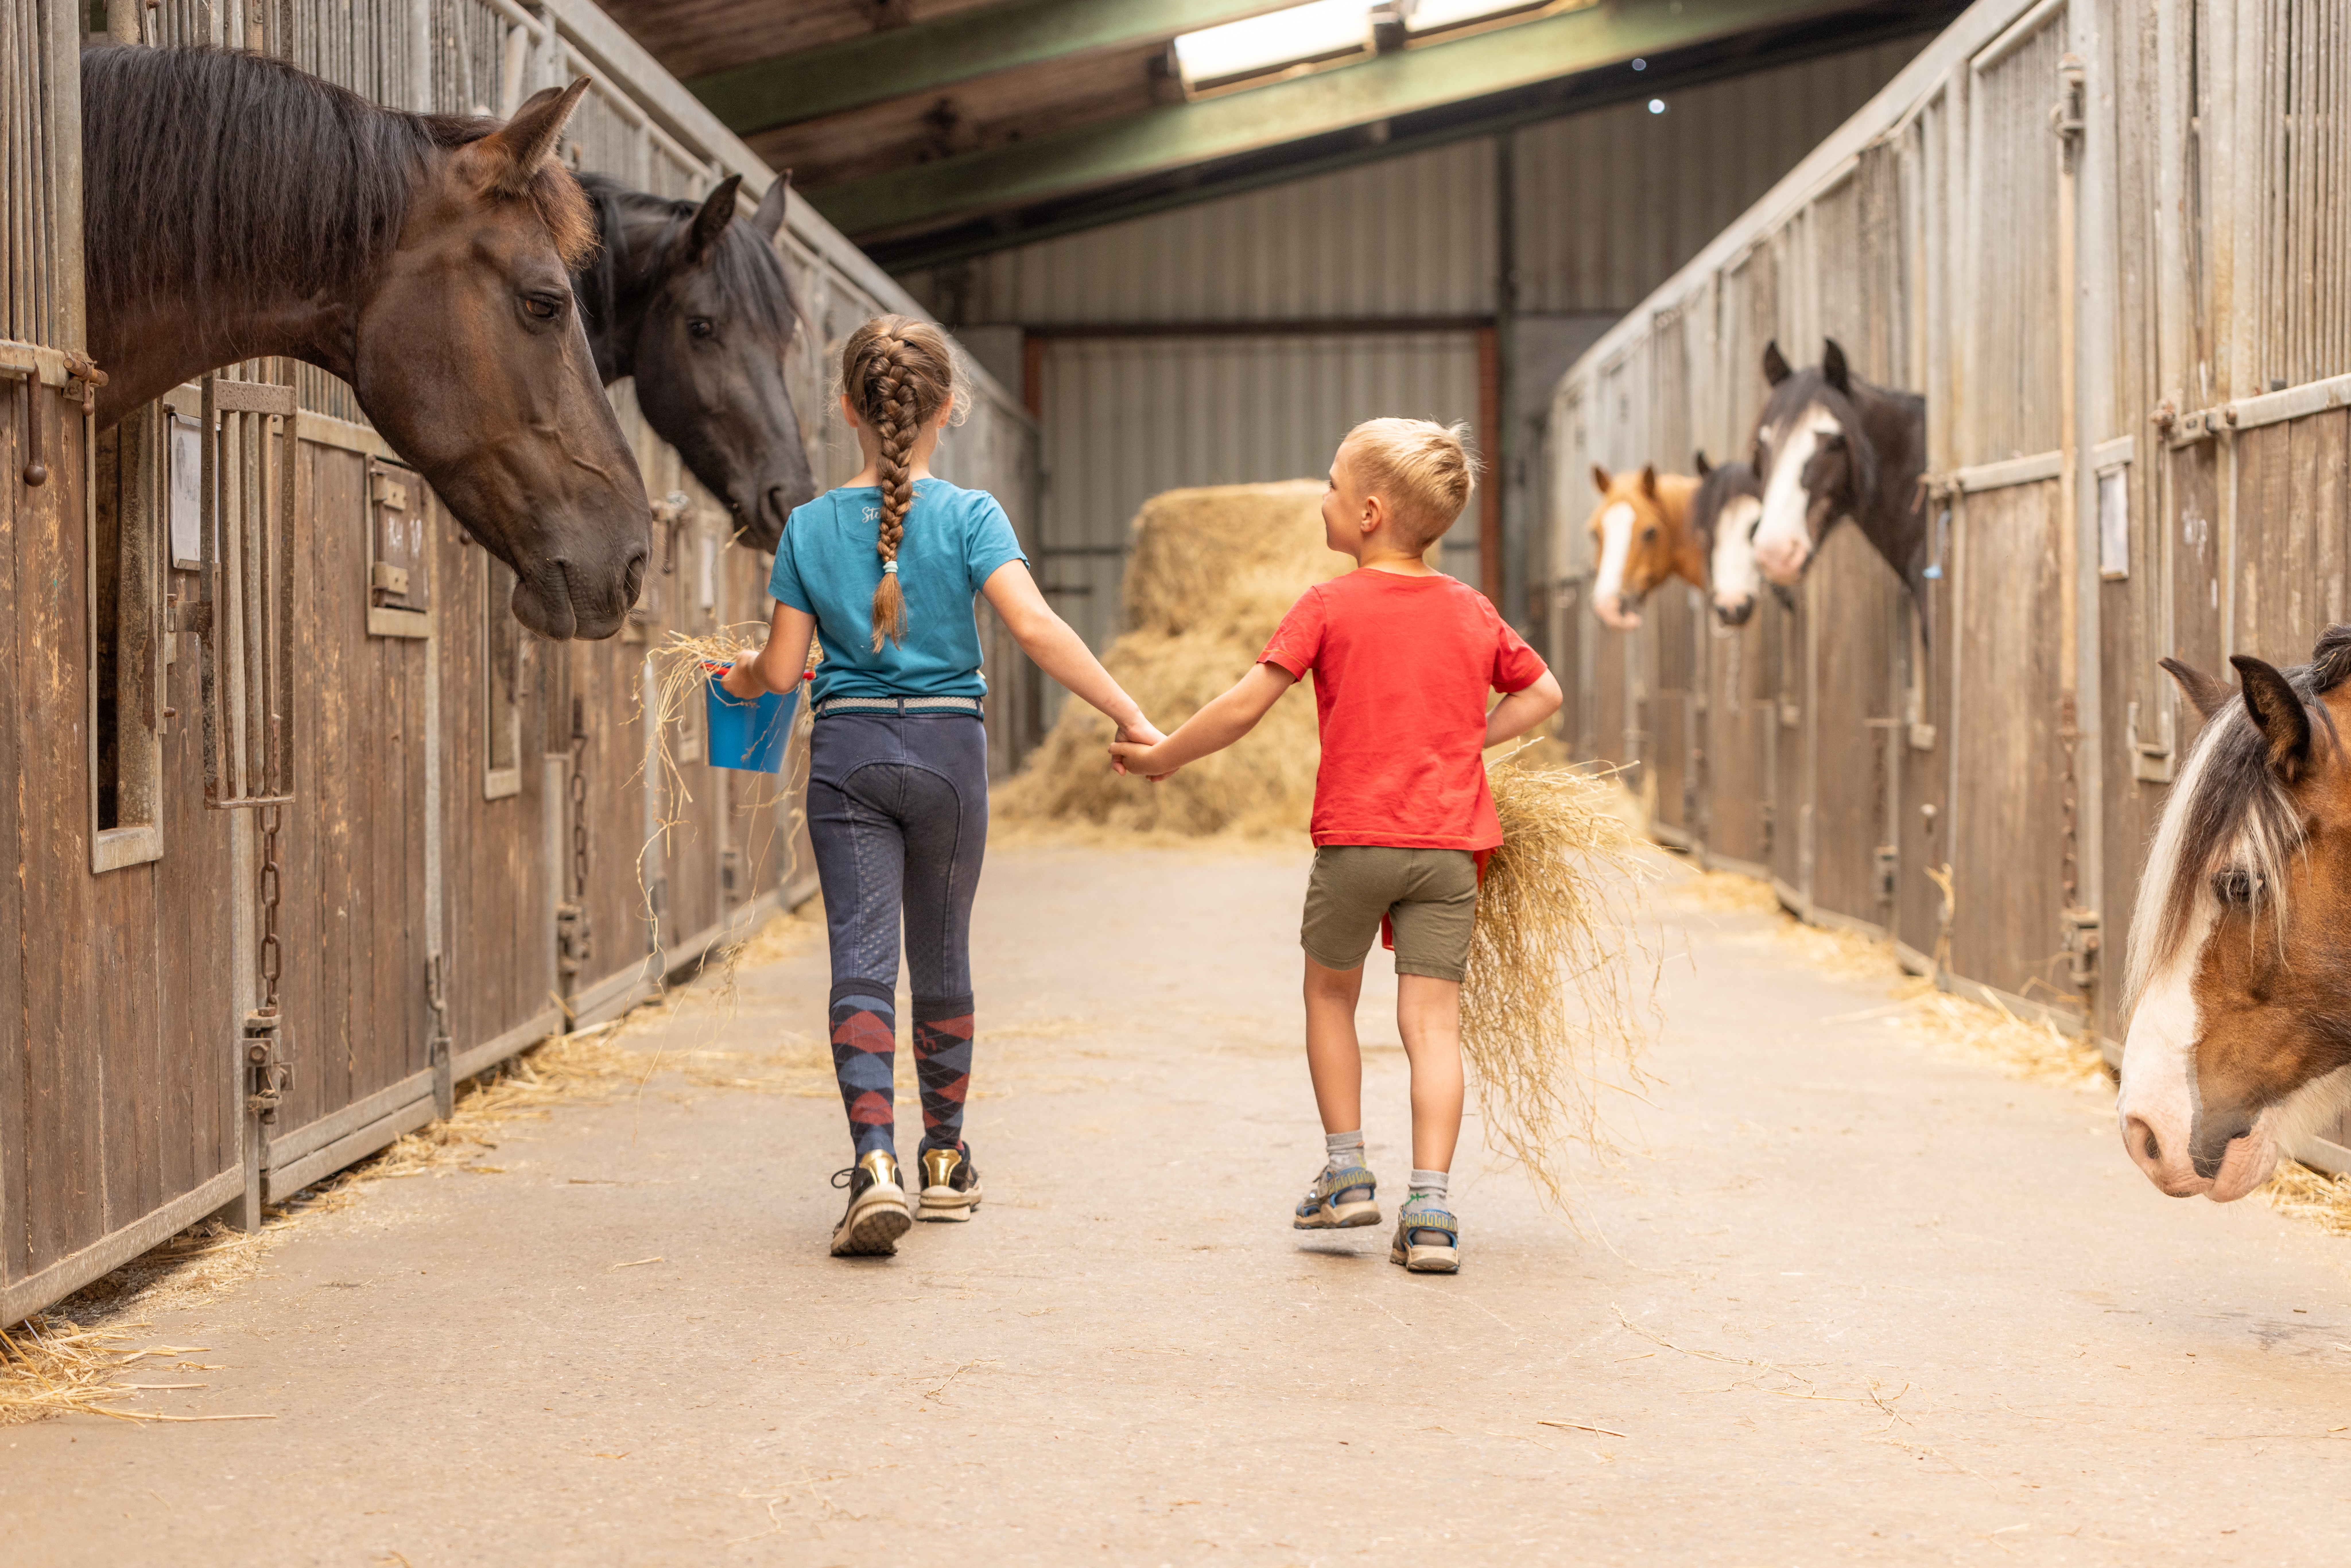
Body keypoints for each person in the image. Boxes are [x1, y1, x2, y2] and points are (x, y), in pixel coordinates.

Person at [724, 315, 1163, 1259]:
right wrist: (1131, 714)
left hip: (848, 761)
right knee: (944, 953)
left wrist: (739, 679)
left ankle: (873, 1163)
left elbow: (783, 663)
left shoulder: (805, 527)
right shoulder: (973, 518)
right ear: (949, 410)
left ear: (845, 408)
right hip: (950, 760)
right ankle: (944, 1161)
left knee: (862, 958)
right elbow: (1038, 630)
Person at [1107, 418, 1561, 1274]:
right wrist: (1468, 744)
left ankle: (1348, 1172)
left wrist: (1164, 755)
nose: (1320, 497)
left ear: (1368, 513)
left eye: (1328, 484)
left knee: (1328, 994)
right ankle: (1431, 1211)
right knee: (1433, 1026)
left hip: (1357, 841)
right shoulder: (1471, 611)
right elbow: (1545, 694)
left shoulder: (1327, 605)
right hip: (1449, 849)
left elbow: (1245, 707)